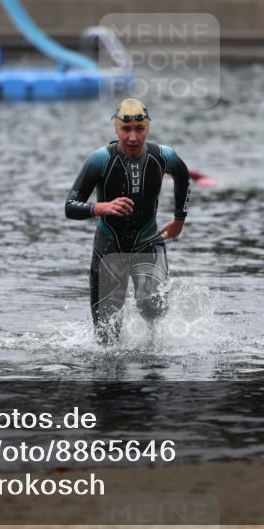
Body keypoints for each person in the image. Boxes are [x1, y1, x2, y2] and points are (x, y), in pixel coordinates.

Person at [64, 98, 191, 344]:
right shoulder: (99, 160)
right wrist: (101, 207)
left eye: (139, 129)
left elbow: (183, 178)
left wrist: (179, 220)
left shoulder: (164, 156)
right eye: (126, 130)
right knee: (106, 335)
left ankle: (153, 372)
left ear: (148, 129)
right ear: (116, 129)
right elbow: (70, 207)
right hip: (109, 247)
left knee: (153, 310)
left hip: (148, 242)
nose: (132, 137)